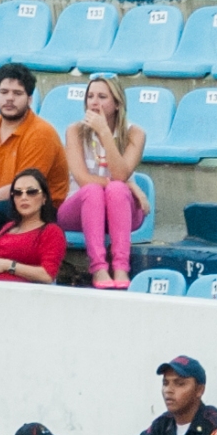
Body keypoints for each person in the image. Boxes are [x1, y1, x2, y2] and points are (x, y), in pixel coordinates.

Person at [60, 74, 146, 287]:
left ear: (117, 104)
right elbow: (82, 179)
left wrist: (105, 133)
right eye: (90, 96)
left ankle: (120, 268)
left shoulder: (136, 133)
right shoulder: (74, 131)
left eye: (102, 97)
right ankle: (98, 268)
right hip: (80, 208)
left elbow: (119, 174)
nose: (94, 102)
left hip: (121, 208)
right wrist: (130, 185)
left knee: (116, 189)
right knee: (94, 190)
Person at [0, 64, 68, 222]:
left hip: (37, 204)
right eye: (4, 92)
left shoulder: (41, 133)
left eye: (17, 93)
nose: (9, 98)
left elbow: (24, 187)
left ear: (30, 99)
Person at [0, 167, 68, 283]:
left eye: (31, 192)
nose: (24, 197)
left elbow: (47, 275)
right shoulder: (8, 227)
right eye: (17, 193)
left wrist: (8, 265)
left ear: (44, 198)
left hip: (20, 295)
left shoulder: (51, 231)